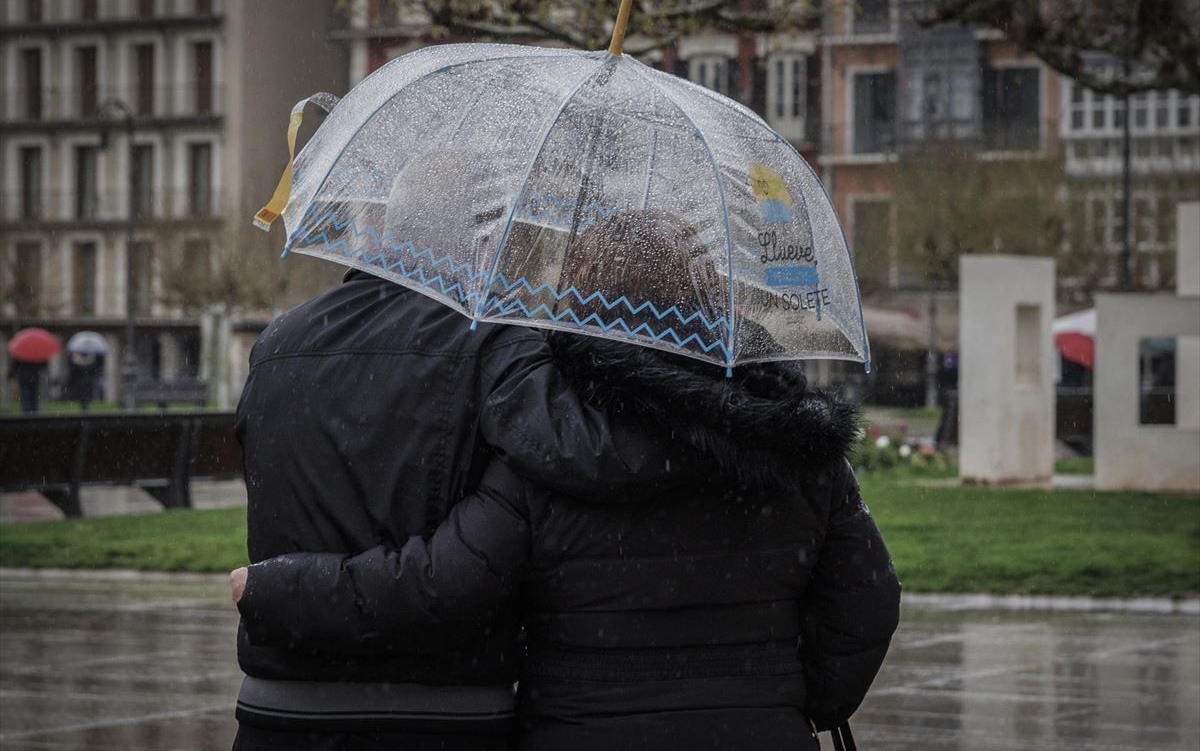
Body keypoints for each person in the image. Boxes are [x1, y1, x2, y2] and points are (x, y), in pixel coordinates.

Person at [234, 212, 902, 751]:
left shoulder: (550, 456)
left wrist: (277, 587)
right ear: (706, 299)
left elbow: (442, 587)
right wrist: (795, 698)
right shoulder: (794, 445)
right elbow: (867, 600)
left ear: (580, 307)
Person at [230, 265, 693, 751]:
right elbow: (588, 453)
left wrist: (274, 588)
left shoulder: (278, 341)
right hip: (443, 714)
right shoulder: (495, 341)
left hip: (279, 711)